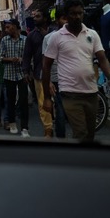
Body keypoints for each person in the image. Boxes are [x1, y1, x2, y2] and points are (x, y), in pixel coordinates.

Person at [42, 0, 110, 142]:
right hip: (69, 93)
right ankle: (81, 162)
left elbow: (102, 58)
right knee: (80, 133)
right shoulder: (56, 38)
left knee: (90, 133)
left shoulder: (92, 34)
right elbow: (46, 66)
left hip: (91, 92)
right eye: (73, 13)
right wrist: (46, 97)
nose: (77, 16)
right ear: (66, 15)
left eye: (80, 13)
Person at [22, 7, 53, 137]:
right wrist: (26, 71)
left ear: (45, 18)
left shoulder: (55, 32)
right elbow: (27, 55)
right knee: (42, 103)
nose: (34, 18)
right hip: (39, 74)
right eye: (34, 16)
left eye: (38, 16)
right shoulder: (31, 36)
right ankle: (48, 129)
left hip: (58, 73)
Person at [0, 18, 29, 137]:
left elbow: (29, 57)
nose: (6, 30)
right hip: (9, 75)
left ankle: (25, 128)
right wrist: (10, 59)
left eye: (8, 27)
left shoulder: (25, 40)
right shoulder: (4, 41)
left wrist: (22, 60)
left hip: (22, 74)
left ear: (15, 27)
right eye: (5, 28)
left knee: (23, 101)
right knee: (10, 101)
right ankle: (12, 123)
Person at [42, 8, 68, 138]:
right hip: (57, 79)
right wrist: (49, 82)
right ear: (57, 20)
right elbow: (45, 63)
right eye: (64, 19)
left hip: (73, 80)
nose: (67, 22)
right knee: (61, 111)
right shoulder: (49, 38)